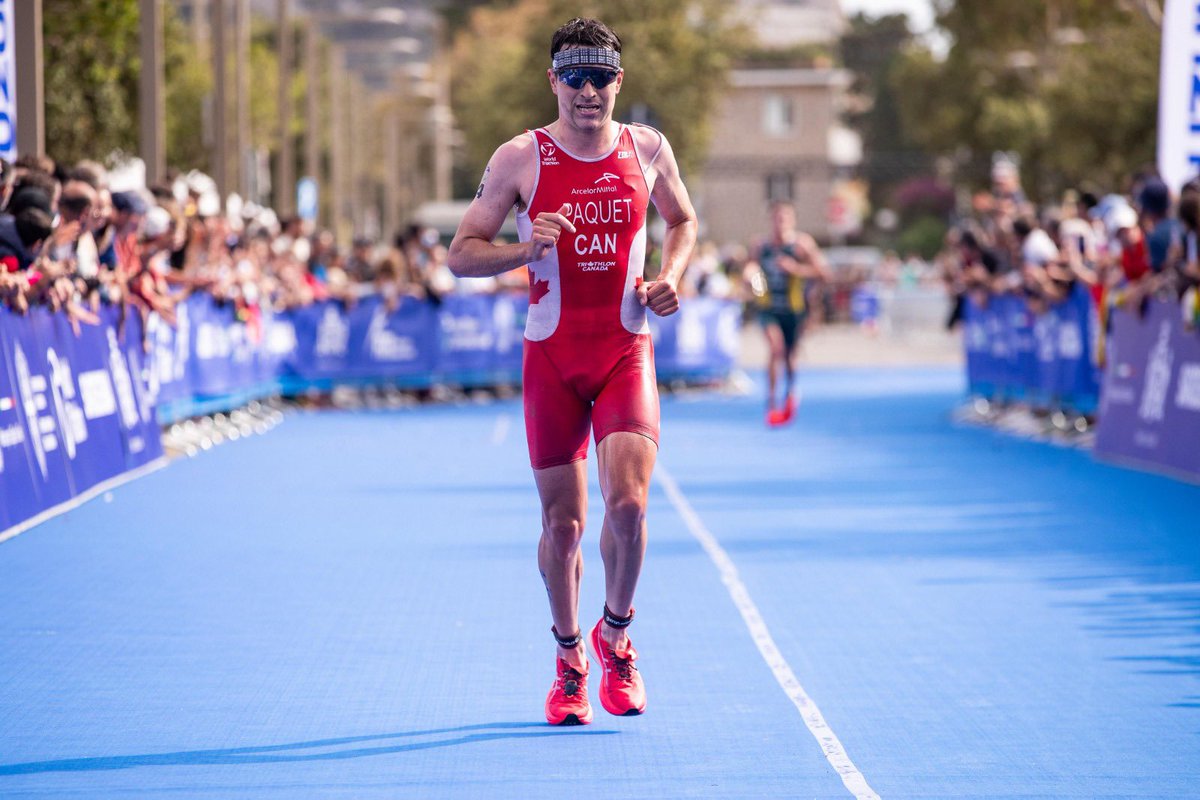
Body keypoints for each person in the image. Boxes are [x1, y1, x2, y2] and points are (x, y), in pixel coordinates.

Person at [447, 17, 697, 725]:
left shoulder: (647, 148)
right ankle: (567, 658)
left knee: (629, 507)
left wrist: (670, 276)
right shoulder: (521, 158)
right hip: (551, 359)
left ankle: (615, 635)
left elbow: (683, 221)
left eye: (602, 77)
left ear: (620, 82)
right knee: (563, 527)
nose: (589, 91)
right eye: (574, 77)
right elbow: (461, 253)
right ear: (553, 80)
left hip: (624, 348)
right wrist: (524, 251)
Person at [751, 201, 827, 426]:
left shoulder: (802, 245)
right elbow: (752, 270)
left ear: (792, 220)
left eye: (785, 218)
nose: (780, 222)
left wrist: (796, 269)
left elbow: (823, 273)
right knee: (775, 348)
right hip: (768, 308)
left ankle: (791, 392)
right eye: (777, 218)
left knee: (790, 356)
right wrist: (752, 280)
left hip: (795, 310)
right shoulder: (760, 245)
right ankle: (771, 402)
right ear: (771, 220)